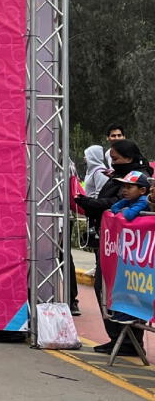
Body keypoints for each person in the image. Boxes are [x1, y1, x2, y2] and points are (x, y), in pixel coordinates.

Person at [75, 138, 151, 356]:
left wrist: (99, 206)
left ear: (128, 158)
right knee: (105, 289)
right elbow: (116, 204)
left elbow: (122, 206)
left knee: (126, 293)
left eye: (116, 159)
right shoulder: (119, 176)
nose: (113, 163)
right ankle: (116, 337)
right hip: (111, 245)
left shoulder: (139, 177)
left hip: (130, 251)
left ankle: (128, 342)